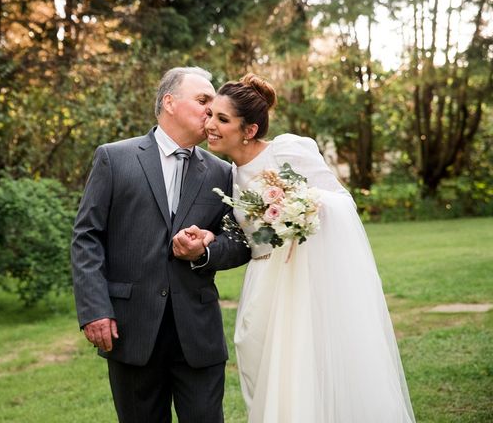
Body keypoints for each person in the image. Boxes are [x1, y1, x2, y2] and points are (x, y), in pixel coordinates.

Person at [176, 73, 416, 422]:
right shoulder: (226, 174)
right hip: (262, 285)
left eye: (221, 119)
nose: (209, 124)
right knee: (258, 363)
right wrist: (211, 238)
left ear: (249, 130)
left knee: (303, 368)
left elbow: (340, 201)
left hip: (301, 281)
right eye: (210, 114)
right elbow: (242, 235)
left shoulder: (286, 150)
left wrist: (298, 206)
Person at [70, 66, 251, 422]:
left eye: (214, 106)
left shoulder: (222, 172)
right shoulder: (114, 158)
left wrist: (205, 251)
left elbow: (240, 241)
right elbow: (86, 236)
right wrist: (95, 309)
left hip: (198, 335)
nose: (210, 113)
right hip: (131, 330)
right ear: (169, 102)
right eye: (203, 101)